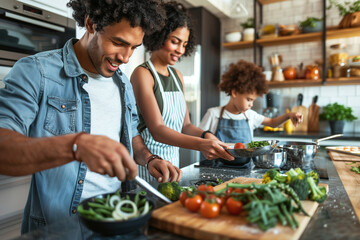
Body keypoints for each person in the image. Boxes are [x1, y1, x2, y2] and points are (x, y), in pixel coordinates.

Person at [0, 0, 182, 233]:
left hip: (116, 216)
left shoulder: (123, 83)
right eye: (118, 42)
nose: (126, 58)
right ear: (90, 24)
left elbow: (131, 133)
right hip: (59, 228)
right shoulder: (37, 71)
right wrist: (75, 146)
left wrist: (149, 158)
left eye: (134, 47)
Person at [130, 1, 234, 181]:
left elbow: (185, 126)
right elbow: (158, 130)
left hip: (175, 168)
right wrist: (201, 144)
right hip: (150, 167)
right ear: (159, 35)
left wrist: (207, 135)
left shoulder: (177, 76)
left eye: (184, 44)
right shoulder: (143, 74)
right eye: (175, 41)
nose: (180, 50)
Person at [199, 59, 303, 167]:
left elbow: (272, 122)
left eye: (253, 100)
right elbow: (199, 138)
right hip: (216, 169)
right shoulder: (213, 114)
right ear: (234, 92)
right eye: (249, 99)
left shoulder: (250, 115)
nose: (251, 105)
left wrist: (288, 115)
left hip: (245, 169)